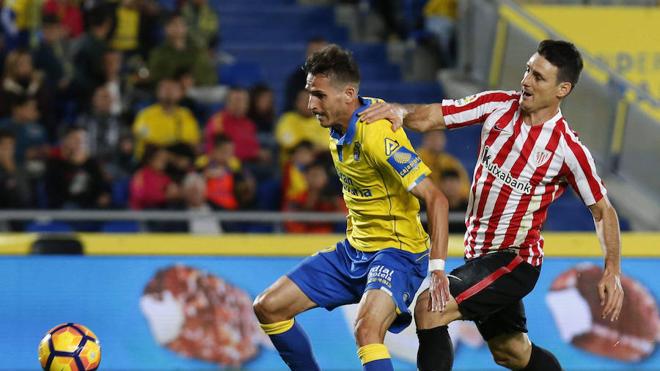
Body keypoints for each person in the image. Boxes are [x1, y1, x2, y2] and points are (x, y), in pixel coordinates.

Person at [359, 39, 624, 371]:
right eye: (528, 70)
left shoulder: (568, 149)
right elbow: (434, 116)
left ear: (562, 89)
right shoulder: (497, 105)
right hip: (479, 257)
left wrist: (612, 270)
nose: (526, 81)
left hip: (515, 260)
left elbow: (603, 210)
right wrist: (400, 111)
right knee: (511, 351)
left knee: (430, 305)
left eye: (539, 77)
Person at [253, 44, 450, 371]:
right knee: (268, 306)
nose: (311, 104)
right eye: (308, 93)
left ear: (348, 94)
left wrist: (438, 268)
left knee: (366, 329)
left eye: (319, 95)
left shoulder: (376, 134)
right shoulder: (335, 125)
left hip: (397, 252)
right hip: (355, 250)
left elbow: (437, 198)